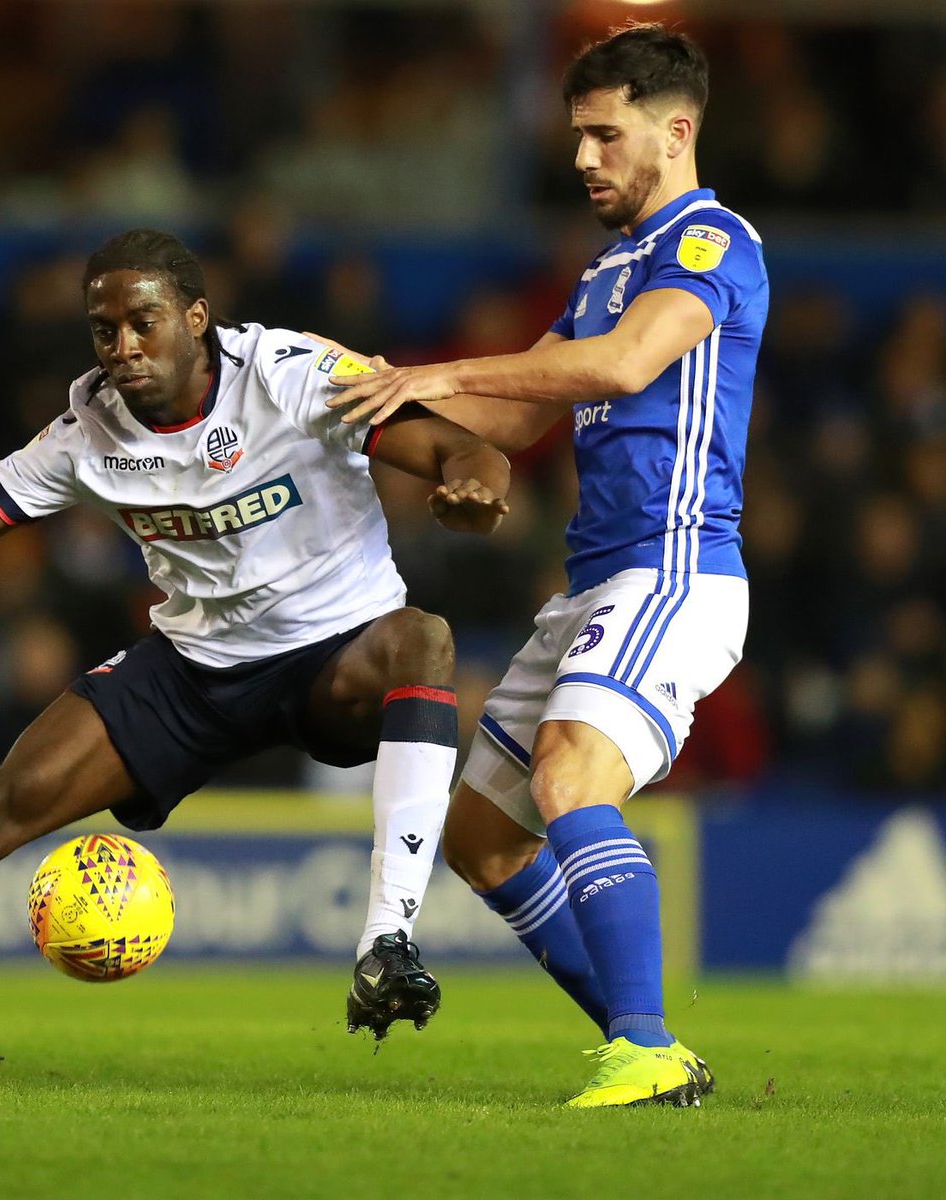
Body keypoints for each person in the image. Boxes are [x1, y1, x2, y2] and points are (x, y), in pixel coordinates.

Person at [0, 228, 511, 1086]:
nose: (123, 347)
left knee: (426, 639)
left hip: (338, 653)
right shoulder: (84, 434)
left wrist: (476, 485)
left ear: (196, 316)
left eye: (143, 322)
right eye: (103, 330)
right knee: (1, 802)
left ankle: (385, 943)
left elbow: (459, 447)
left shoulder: (294, 378)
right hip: (194, 665)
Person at [328, 24, 768, 1108]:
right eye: (576, 137)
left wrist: (440, 366)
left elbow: (618, 367)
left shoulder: (711, 244)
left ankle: (646, 1043)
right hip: (591, 586)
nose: (582, 159)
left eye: (605, 136)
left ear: (675, 132)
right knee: (482, 838)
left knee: (571, 776)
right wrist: (378, 420)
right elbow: (518, 399)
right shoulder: (611, 264)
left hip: (675, 571)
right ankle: (645, 1049)